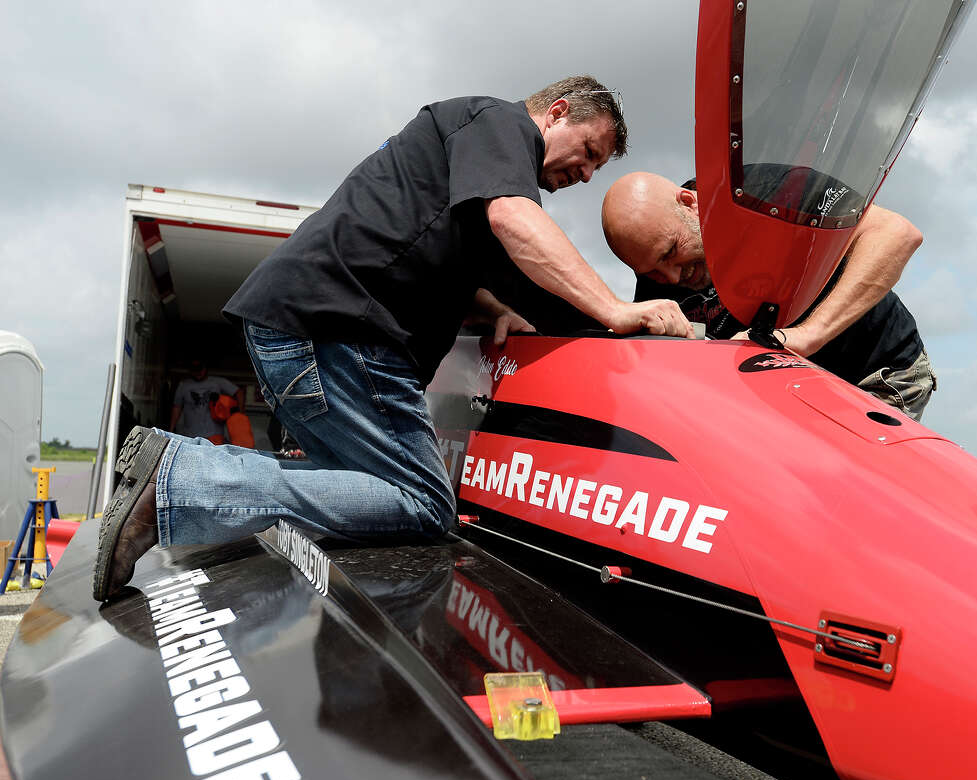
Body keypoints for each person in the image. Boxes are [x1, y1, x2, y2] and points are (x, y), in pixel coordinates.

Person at [93, 76, 693, 601]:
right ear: (556, 112)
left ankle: (181, 478)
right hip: (338, 335)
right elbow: (515, 218)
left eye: (595, 169)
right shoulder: (500, 122)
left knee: (363, 489)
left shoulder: (468, 170)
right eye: (590, 152)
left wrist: (496, 311)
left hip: (305, 330)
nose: (585, 175)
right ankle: (180, 479)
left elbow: (455, 257)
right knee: (422, 502)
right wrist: (616, 310)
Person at [601, 170, 935, 420]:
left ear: (689, 204)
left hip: (877, 371)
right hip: (790, 390)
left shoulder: (766, 192)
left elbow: (897, 234)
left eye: (670, 252)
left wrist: (805, 337)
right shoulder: (655, 267)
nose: (671, 276)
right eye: (651, 271)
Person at [169, 357, 244, 442]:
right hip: (190, 436)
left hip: (214, 435)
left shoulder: (217, 382)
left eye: (200, 368)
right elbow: (176, 407)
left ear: (205, 368)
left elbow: (239, 392)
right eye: (195, 369)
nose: (198, 372)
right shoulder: (184, 385)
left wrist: (239, 414)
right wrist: (171, 429)